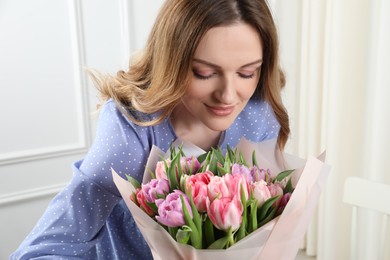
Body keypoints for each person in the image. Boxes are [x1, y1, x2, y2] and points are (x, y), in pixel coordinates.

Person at [11, 0, 290, 259]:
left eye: (247, 73)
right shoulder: (131, 134)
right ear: (170, 63)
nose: (229, 96)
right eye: (204, 73)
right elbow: (43, 249)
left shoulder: (258, 116)